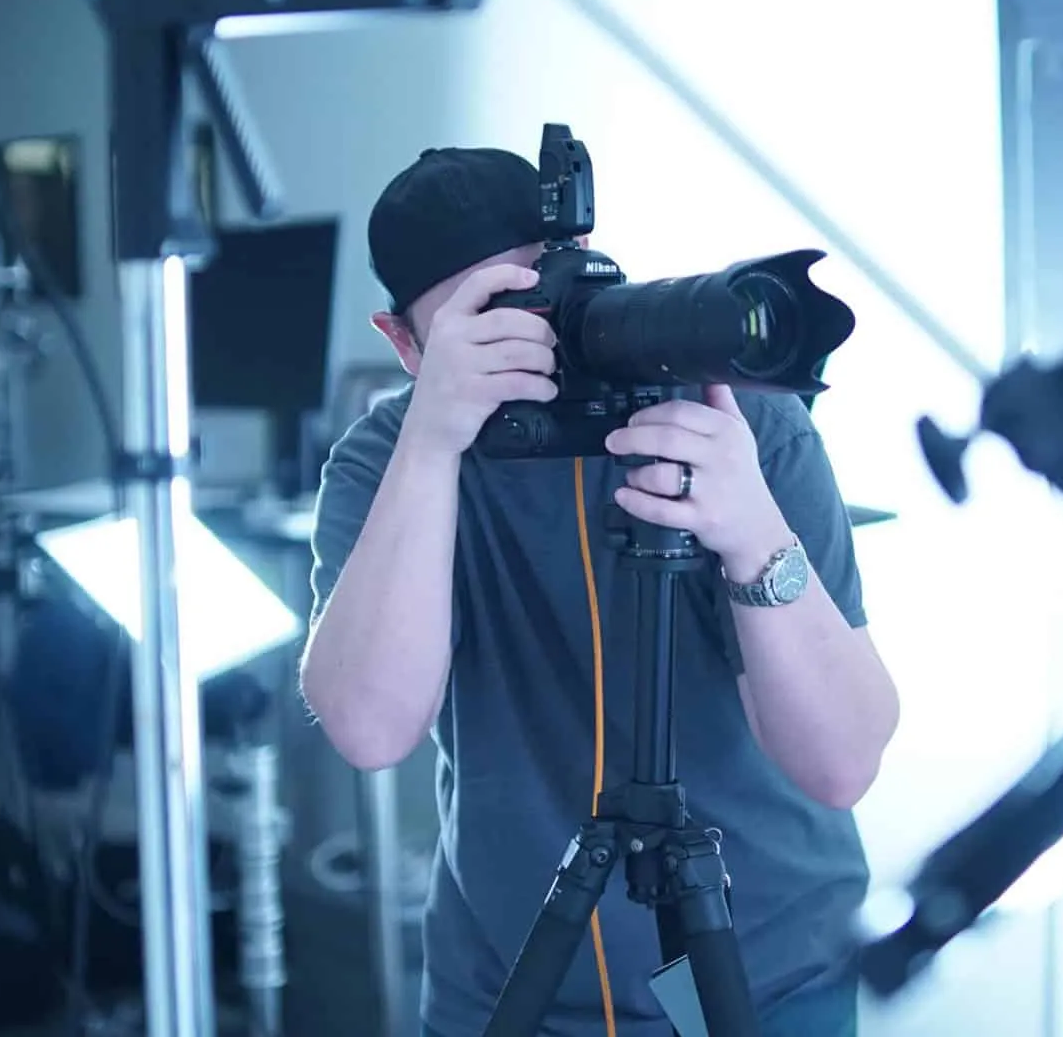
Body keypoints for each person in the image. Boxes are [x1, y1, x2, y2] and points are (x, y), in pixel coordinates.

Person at [301, 145, 901, 1037]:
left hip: (762, 976)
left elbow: (842, 763)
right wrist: (432, 443)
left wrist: (751, 530)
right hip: (511, 986)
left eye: (536, 304)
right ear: (406, 344)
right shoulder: (387, 462)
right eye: (484, 326)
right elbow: (370, 727)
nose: (528, 346)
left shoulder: (735, 420)